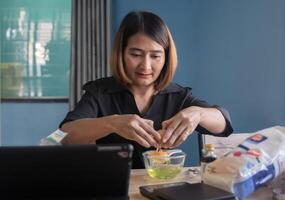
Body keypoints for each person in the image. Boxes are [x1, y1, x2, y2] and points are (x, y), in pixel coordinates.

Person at [59, 11, 233, 168]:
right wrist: (112, 123)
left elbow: (224, 124)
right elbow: (63, 136)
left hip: (163, 186)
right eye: (135, 54)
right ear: (121, 53)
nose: (146, 66)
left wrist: (198, 114)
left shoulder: (178, 95)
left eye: (156, 56)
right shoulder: (100, 92)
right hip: (113, 186)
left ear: (166, 58)